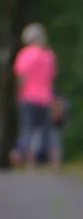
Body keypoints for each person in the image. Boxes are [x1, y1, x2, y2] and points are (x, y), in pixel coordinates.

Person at [10, 24, 57, 169]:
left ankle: (18, 155)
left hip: (28, 97)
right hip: (45, 98)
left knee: (27, 129)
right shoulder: (49, 56)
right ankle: (47, 161)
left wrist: (18, 94)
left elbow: (21, 77)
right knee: (43, 131)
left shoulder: (24, 55)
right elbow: (51, 77)